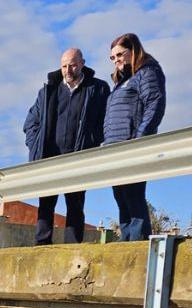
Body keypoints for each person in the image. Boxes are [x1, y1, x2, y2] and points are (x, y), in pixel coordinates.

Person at [23, 48, 110, 245]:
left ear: (82, 63)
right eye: (64, 66)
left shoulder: (97, 89)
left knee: (76, 204)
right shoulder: (48, 91)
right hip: (50, 157)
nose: (68, 70)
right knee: (45, 204)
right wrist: (35, 144)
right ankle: (42, 246)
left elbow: (106, 120)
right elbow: (30, 123)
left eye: (72, 64)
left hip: (78, 157)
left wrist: (93, 140)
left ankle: (72, 248)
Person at [102, 33, 166, 241]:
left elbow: (154, 103)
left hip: (132, 145)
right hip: (115, 148)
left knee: (133, 195)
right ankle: (126, 240)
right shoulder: (122, 82)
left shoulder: (147, 72)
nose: (116, 60)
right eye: (112, 57)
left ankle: (137, 243)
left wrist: (140, 139)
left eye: (120, 54)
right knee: (121, 197)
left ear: (134, 50)